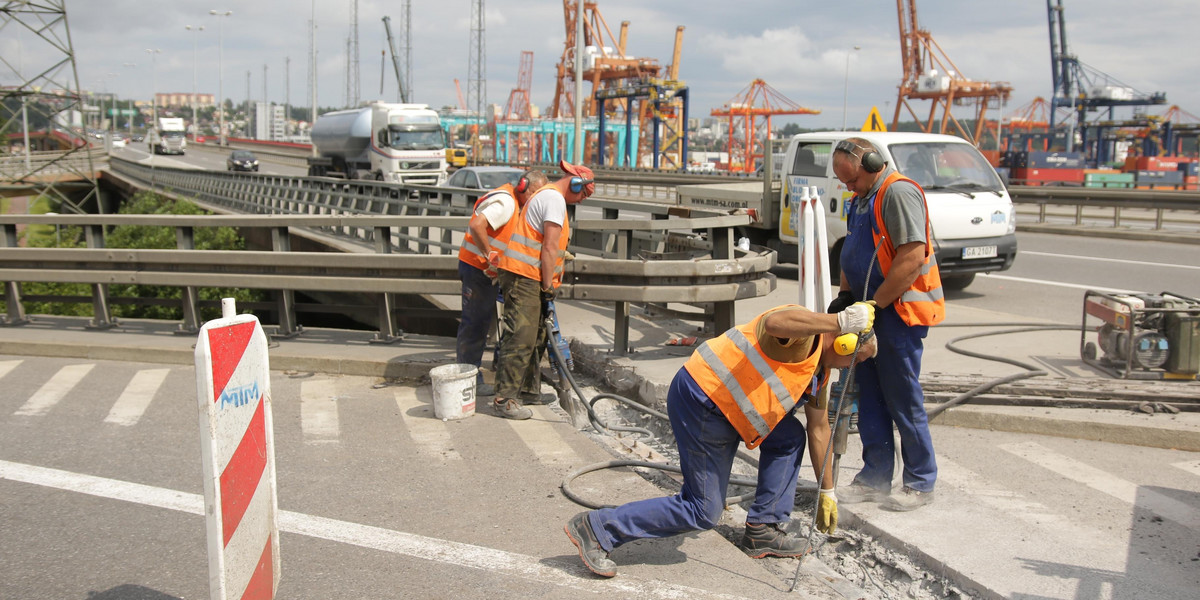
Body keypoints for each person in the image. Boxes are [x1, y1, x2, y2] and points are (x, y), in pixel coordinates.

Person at [564, 302, 878, 577]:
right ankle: (597, 529)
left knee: (788, 437)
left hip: (729, 411)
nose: (856, 368)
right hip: (703, 400)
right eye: (859, 360)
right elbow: (773, 323)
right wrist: (838, 321)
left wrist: (828, 490)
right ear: (844, 346)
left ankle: (763, 530)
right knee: (702, 511)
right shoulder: (803, 331)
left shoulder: (819, 372)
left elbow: (819, 428)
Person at [829, 136, 945, 512]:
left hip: (898, 314)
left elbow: (911, 258)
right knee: (870, 396)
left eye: (852, 179)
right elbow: (854, 252)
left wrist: (875, 307)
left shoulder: (898, 194)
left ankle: (920, 481)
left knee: (902, 397)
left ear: (874, 163)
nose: (848, 187)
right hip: (869, 309)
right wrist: (847, 296)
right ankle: (874, 477)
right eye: (844, 182)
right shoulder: (860, 200)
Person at [490, 159, 595, 420]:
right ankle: (505, 399)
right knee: (520, 337)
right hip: (523, 276)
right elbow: (548, 247)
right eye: (584, 193)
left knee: (536, 337)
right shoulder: (554, 200)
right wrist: (548, 286)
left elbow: (549, 246)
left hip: (529, 276)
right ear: (574, 183)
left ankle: (527, 391)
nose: (582, 200)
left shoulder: (550, 198)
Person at [455, 169, 548, 397]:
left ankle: (498, 368)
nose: (537, 200)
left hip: (491, 271)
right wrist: (490, 255)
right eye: (536, 194)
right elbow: (478, 225)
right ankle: (469, 380)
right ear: (524, 187)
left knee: (506, 320)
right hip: (479, 269)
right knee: (475, 323)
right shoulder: (506, 202)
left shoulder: (517, 203)